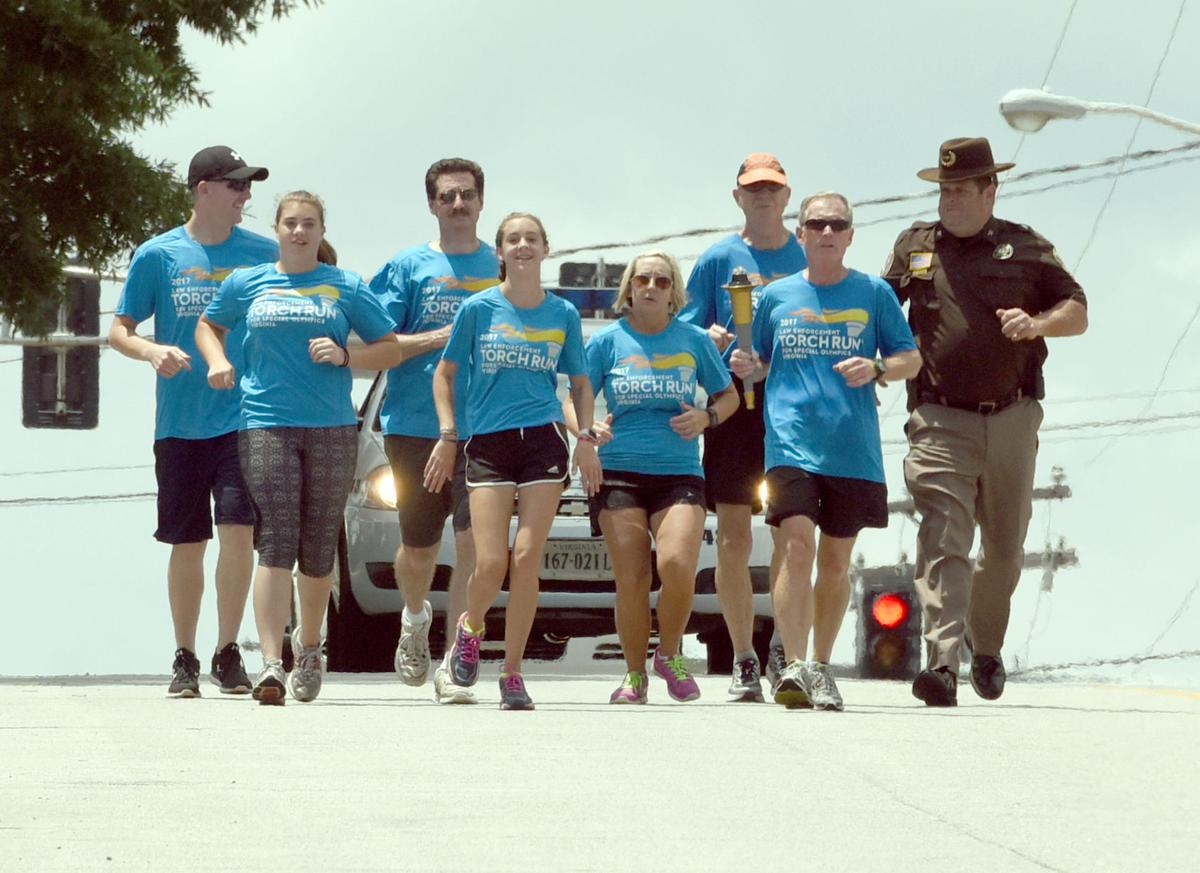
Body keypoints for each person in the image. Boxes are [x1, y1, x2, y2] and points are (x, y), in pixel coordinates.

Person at [883, 138, 1088, 707]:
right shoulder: (914, 245)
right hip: (939, 417)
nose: (947, 200)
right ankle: (942, 664)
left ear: (989, 190)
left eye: (959, 190)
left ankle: (987, 646)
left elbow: (1078, 310)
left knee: (1005, 545)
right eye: (942, 190)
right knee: (943, 534)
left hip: (1013, 416)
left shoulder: (1025, 246)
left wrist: (1039, 323)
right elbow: (879, 308)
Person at [195, 191, 403, 705]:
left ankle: (310, 647)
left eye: (309, 223)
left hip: (331, 428)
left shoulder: (344, 285)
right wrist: (216, 361)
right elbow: (208, 325)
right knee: (276, 540)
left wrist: (344, 353)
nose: (299, 232)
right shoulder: (249, 282)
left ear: (321, 230)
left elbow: (391, 348)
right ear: (278, 228)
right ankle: (271, 662)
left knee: (315, 548)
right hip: (265, 423)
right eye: (290, 223)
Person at [733, 192, 921, 710]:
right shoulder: (775, 297)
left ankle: (820, 663)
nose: (826, 232)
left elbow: (910, 358)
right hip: (790, 443)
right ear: (801, 233)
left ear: (850, 234)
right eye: (816, 223)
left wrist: (878, 368)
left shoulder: (874, 293)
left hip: (852, 448)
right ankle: (791, 665)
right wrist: (750, 366)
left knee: (836, 563)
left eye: (837, 223)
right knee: (796, 545)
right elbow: (761, 362)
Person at [109, 145, 275, 698]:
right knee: (187, 541)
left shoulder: (263, 254)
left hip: (245, 417)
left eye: (248, 186)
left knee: (238, 531)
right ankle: (185, 655)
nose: (245, 196)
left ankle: (228, 652)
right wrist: (151, 352)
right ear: (204, 188)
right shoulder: (158, 254)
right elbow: (120, 329)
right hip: (179, 422)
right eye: (235, 186)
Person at [426, 212, 599, 710]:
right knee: (491, 561)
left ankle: (514, 673)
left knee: (526, 559)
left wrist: (584, 436)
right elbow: (445, 374)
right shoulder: (479, 310)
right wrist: (446, 434)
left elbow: (581, 383)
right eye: (513, 239)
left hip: (543, 440)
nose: (523, 245)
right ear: (500, 252)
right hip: (489, 444)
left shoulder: (562, 314)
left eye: (532, 238)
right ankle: (470, 629)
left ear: (546, 248)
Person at [368, 158, 499, 704]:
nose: (459, 205)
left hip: (489, 425)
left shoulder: (503, 264)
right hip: (416, 424)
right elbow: (379, 341)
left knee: (473, 544)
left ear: (481, 201)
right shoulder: (408, 266)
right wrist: (441, 337)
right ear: (432, 204)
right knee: (419, 548)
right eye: (448, 197)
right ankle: (415, 618)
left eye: (467, 195)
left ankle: (456, 657)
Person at [679, 152, 808, 701]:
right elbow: (682, 328)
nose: (763, 197)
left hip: (789, 410)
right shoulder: (716, 258)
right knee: (733, 536)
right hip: (732, 410)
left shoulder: (806, 255)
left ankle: (782, 644)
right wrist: (707, 340)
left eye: (772, 189)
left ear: (785, 197)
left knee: (790, 534)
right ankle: (743, 657)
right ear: (738, 197)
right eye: (753, 189)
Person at [583, 252, 739, 704]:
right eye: (643, 279)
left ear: (674, 293)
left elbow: (727, 396)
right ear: (628, 288)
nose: (651, 287)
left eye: (662, 281)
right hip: (618, 473)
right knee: (631, 576)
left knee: (676, 565)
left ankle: (667, 654)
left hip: (679, 472)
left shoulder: (692, 340)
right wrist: (588, 430)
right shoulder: (607, 341)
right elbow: (577, 395)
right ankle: (634, 675)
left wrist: (707, 418)